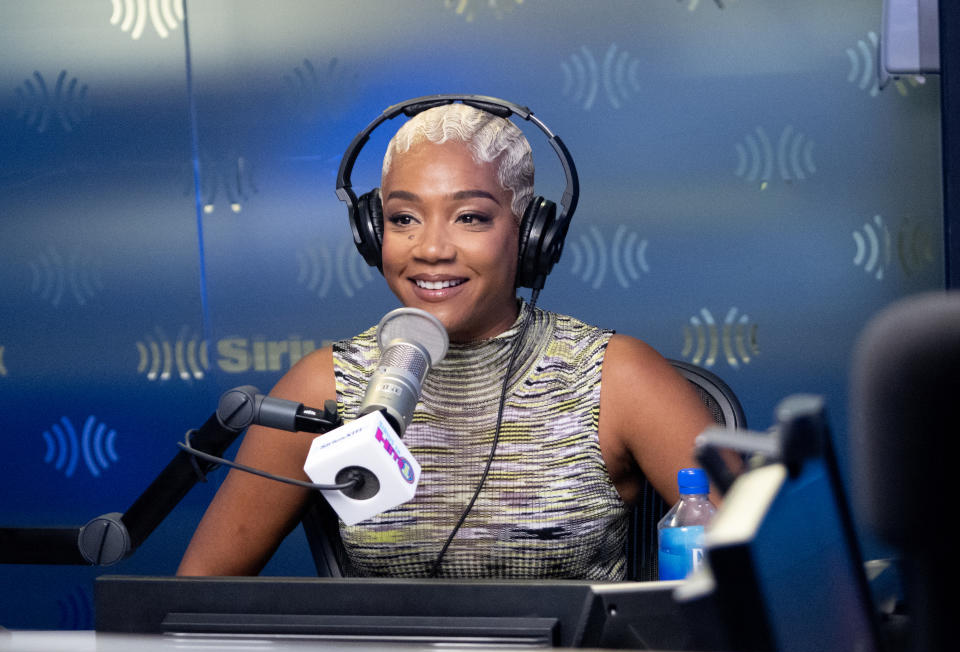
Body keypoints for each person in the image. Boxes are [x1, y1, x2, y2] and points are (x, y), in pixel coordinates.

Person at [177, 100, 719, 579]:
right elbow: (192, 596)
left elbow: (752, 573)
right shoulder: (325, 386)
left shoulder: (614, 379)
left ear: (530, 234)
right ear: (372, 233)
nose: (431, 248)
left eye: (470, 217)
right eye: (404, 217)